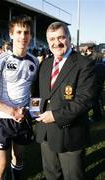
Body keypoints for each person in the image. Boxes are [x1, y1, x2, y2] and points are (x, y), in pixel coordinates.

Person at [0, 14, 39, 180]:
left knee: (19, 158)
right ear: (11, 34)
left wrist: (32, 113)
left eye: (26, 32)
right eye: (19, 32)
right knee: (2, 164)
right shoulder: (1, 60)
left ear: (31, 36)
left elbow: (36, 94)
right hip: (3, 120)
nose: (23, 36)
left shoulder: (34, 61)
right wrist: (12, 111)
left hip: (23, 120)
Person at [35, 22, 96, 180]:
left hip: (70, 134)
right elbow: (37, 94)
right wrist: (33, 112)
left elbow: (84, 101)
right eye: (52, 39)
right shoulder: (45, 64)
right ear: (47, 42)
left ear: (69, 38)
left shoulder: (84, 64)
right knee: (52, 175)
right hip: (46, 133)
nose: (57, 43)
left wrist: (54, 116)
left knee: (73, 176)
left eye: (61, 37)